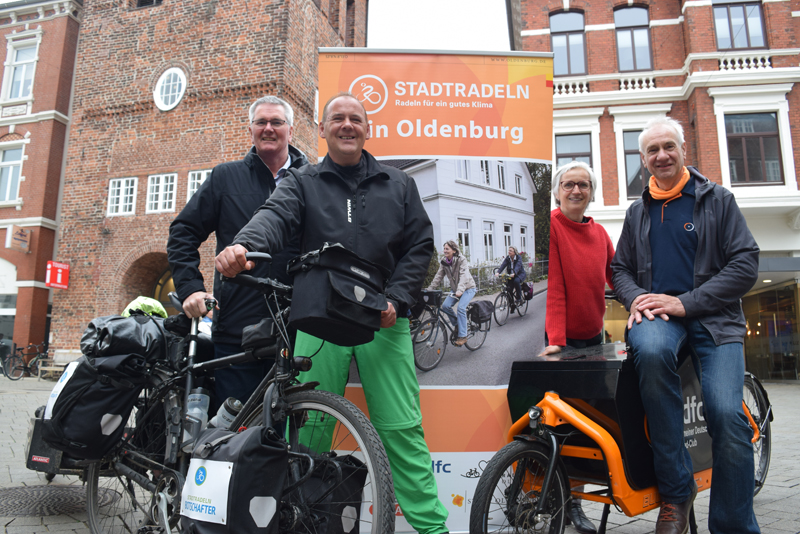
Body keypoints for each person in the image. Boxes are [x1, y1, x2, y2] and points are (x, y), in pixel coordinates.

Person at [215, 92, 449, 534]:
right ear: (321, 130)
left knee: (401, 429)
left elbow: (419, 246)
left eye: (355, 119)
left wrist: (396, 299)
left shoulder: (398, 184)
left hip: (383, 317)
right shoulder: (302, 181)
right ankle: (303, 523)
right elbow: (274, 216)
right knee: (310, 426)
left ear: (367, 129)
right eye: (337, 118)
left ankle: (432, 529)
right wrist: (244, 245)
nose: (347, 125)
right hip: (319, 315)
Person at [611, 117, 760, 534]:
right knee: (652, 352)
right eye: (652, 150)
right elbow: (619, 267)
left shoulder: (719, 201)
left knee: (727, 415)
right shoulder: (637, 211)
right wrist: (633, 297)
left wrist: (685, 302)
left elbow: (745, 263)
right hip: (659, 320)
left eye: (668, 147)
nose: (662, 156)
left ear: (682, 151)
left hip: (717, 322)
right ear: (643, 159)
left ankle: (733, 524)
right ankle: (677, 494)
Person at [167, 95, 308, 407]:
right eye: (261, 122)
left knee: (293, 427)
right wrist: (191, 288)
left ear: (291, 130)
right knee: (233, 431)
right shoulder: (225, 177)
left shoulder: (311, 179)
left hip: (298, 327)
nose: (268, 128)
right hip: (237, 329)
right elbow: (183, 232)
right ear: (251, 130)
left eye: (277, 122)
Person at [539, 161, 614, 534]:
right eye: (568, 184)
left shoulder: (600, 233)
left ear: (591, 192)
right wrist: (555, 341)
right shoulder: (550, 226)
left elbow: (619, 276)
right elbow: (554, 286)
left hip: (594, 341)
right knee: (558, 427)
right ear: (557, 191)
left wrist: (643, 303)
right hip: (562, 343)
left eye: (583, 185)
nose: (576, 191)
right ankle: (551, 499)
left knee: (586, 428)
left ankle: (576, 505)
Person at [427, 240, 477, 346]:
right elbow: (438, 276)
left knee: (461, 308)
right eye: (444, 248)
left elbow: (464, 275)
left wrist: (460, 290)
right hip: (455, 290)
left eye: (447, 249)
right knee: (445, 306)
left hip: (468, 288)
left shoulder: (461, 259)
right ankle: (457, 324)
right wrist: (429, 289)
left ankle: (463, 336)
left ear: (454, 250)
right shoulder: (444, 261)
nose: (445, 251)